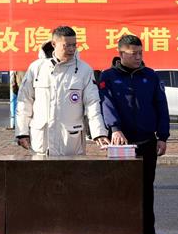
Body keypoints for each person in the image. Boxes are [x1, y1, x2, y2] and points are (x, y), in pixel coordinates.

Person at [99, 34, 171, 234]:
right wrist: (115, 128)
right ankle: (119, 233)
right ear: (121, 54)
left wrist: (163, 136)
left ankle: (148, 233)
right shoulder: (108, 76)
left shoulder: (151, 76)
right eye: (134, 54)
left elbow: (161, 106)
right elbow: (106, 104)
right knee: (120, 188)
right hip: (121, 143)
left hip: (147, 140)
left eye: (141, 53)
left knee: (146, 187)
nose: (139, 57)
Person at [15, 26, 109, 155]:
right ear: (54, 44)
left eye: (74, 45)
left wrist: (99, 133)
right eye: (67, 45)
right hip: (42, 141)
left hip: (71, 141)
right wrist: (22, 133)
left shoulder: (84, 70)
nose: (71, 49)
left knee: (72, 168)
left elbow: (92, 103)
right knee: (40, 168)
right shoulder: (37, 68)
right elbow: (25, 101)